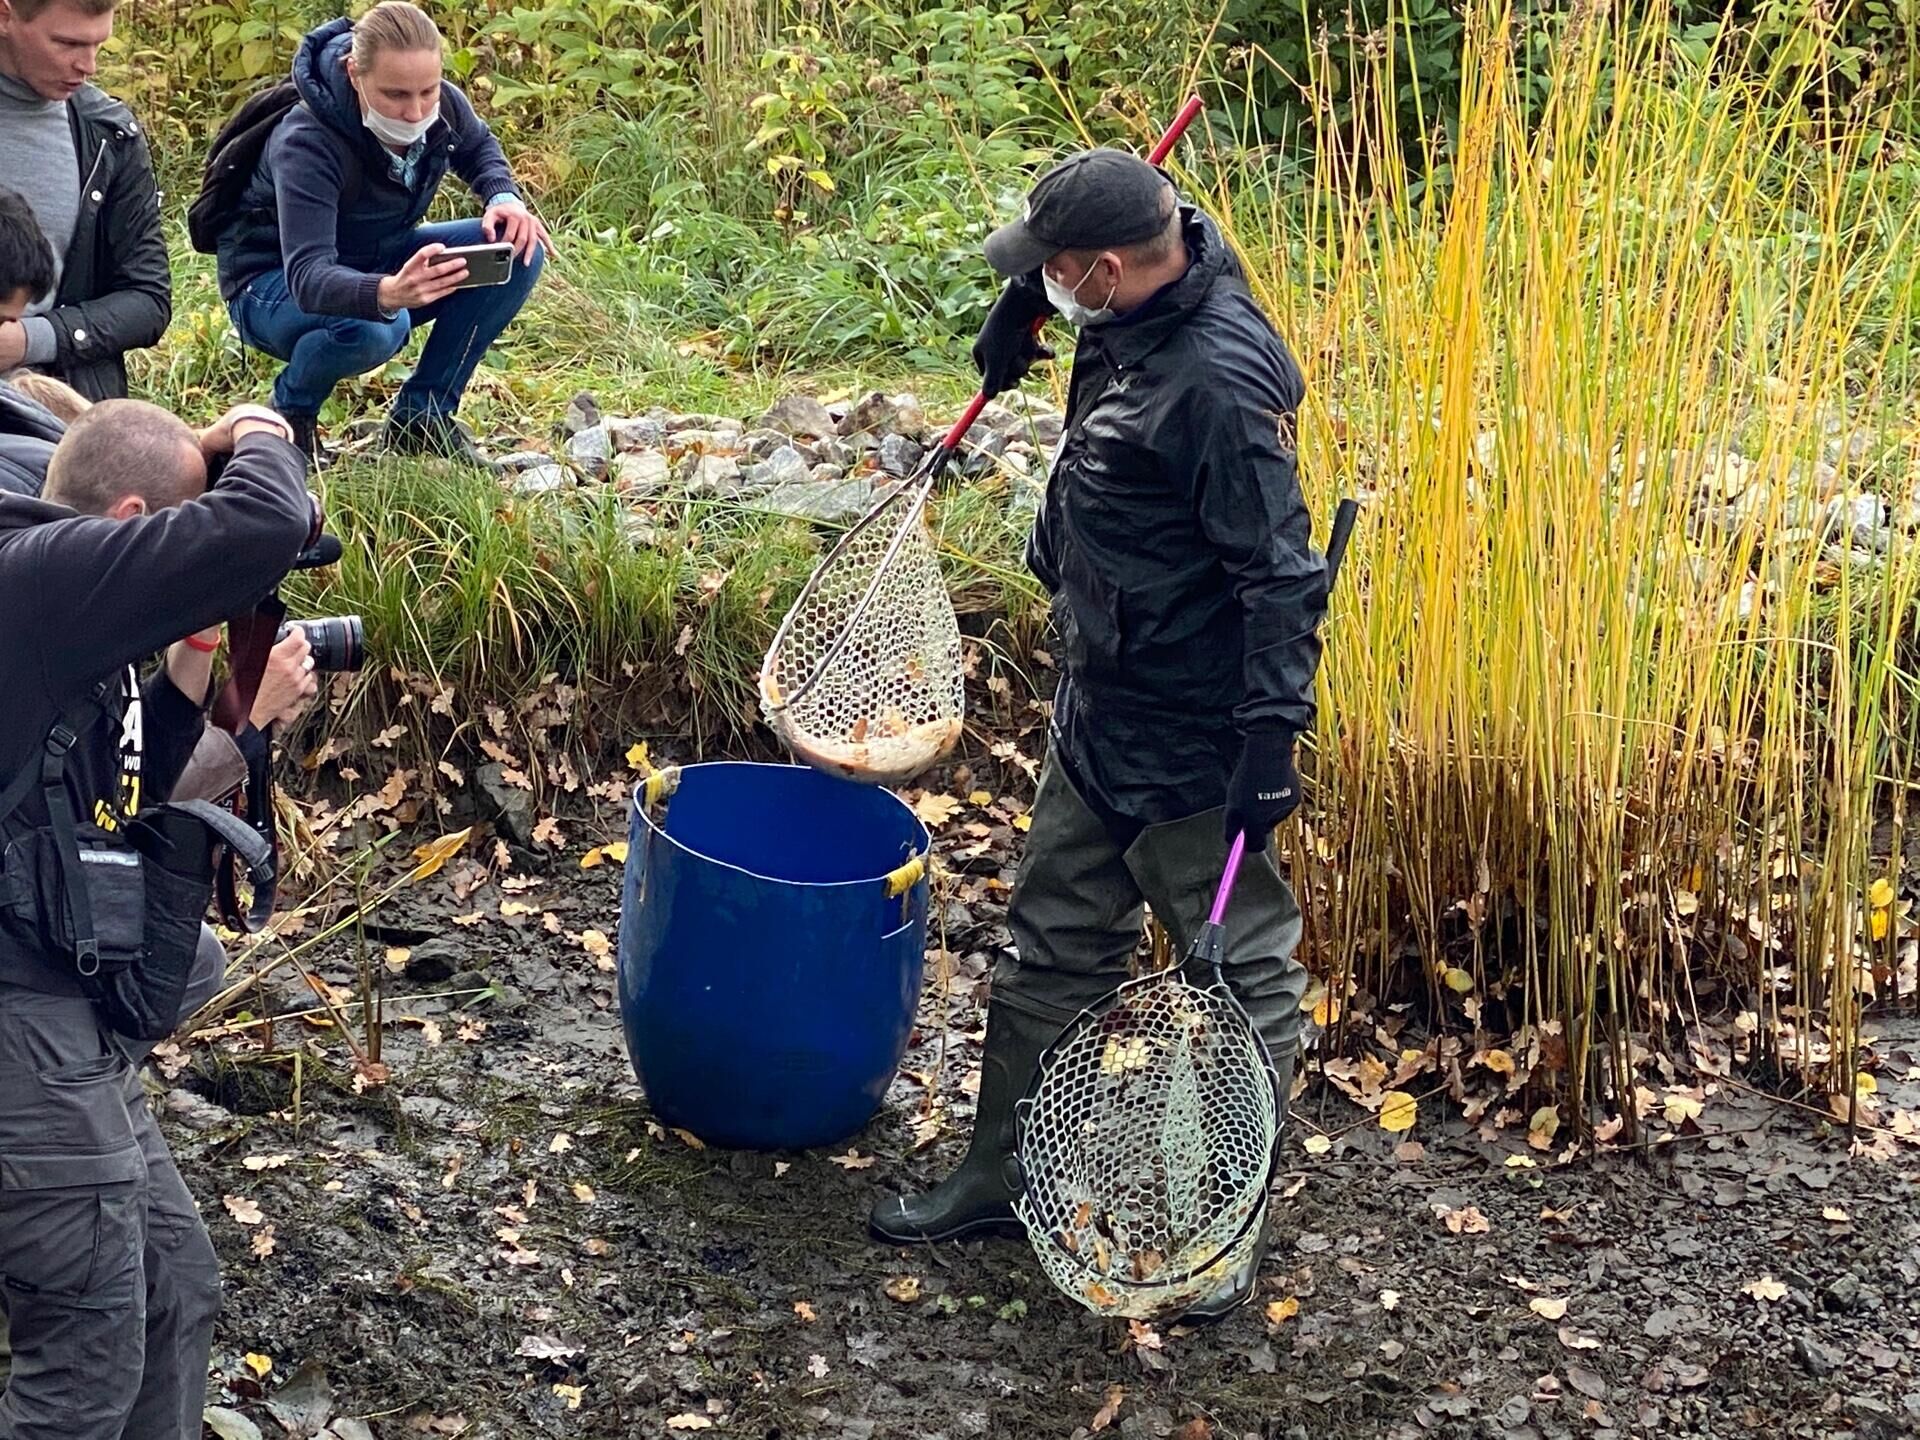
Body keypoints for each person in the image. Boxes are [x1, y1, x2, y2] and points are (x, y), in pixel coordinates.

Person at [868, 150, 1330, 1321]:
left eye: (1058, 275)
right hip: (1101, 695)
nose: (1050, 288)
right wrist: (1023, 302)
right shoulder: (1142, 283)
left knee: (1237, 972)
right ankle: (999, 1174)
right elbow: (1130, 243)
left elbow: (1281, 578)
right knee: (1052, 939)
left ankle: (1224, 1230)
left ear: (1113, 271)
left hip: (1196, 737)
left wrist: (1271, 740)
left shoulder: (1222, 388)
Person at [0, 396, 318, 1438]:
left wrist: (197, 688)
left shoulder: (71, 624)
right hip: (20, 1027)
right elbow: (263, 524)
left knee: (178, 1287)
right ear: (132, 521)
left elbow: (111, 811)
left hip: (64, 1010)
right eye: (179, 542)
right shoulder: (38, 586)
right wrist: (258, 430)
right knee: (82, 1369)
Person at [215, 1, 550, 471]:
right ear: (354, 73)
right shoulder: (307, 140)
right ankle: (290, 415)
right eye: (395, 95)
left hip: (373, 257)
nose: (415, 112)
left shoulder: (442, 106)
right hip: (271, 285)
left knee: (516, 251)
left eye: (427, 91)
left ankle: (423, 417)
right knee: (379, 325)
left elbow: (478, 147)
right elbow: (309, 277)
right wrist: (390, 292)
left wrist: (503, 197)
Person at [0, 0, 170, 403]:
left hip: (55, 411)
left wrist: (31, 339)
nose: (88, 65)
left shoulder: (108, 134)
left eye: (98, 45)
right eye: (67, 43)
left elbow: (147, 300)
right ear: (5, 16)